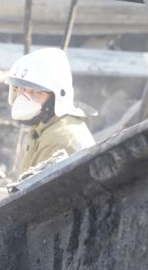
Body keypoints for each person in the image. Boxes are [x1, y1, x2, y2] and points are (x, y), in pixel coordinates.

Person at [7, 47, 95, 179]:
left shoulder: (59, 139)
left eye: (37, 92)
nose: (25, 97)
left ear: (55, 99)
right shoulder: (44, 125)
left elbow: (37, 190)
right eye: (22, 89)